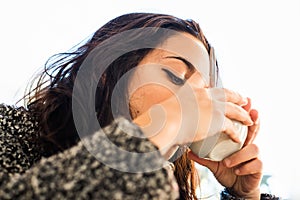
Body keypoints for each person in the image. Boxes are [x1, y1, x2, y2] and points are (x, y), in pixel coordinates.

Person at [0, 12, 279, 199]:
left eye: (203, 93)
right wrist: (164, 123)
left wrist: (243, 196)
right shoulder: (10, 129)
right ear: (107, 70)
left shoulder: (165, 187)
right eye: (175, 76)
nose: (195, 104)